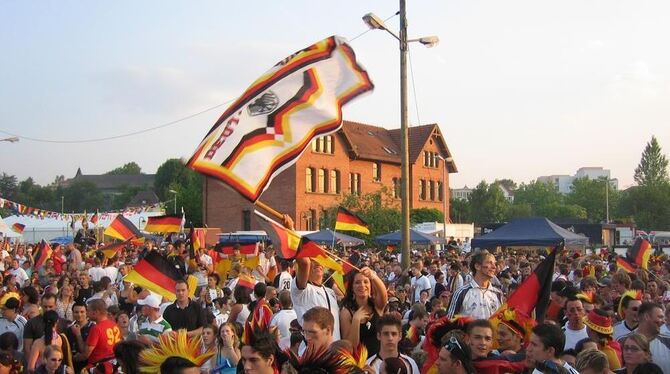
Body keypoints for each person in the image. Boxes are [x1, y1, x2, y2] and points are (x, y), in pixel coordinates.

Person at [292, 253, 341, 340]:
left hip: (335, 350)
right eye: (312, 260)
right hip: (315, 351)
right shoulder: (301, 291)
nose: (317, 263)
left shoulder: (330, 292)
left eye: (320, 260)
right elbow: (304, 263)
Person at [340, 267, 387, 356]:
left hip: (379, 362)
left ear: (370, 286)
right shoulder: (346, 312)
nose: (362, 285)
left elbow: (383, 294)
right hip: (361, 364)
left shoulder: (376, 306)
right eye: (357, 282)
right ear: (352, 288)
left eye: (366, 282)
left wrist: (373, 276)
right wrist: (356, 320)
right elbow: (350, 347)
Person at [447, 251, 502, 319]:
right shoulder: (461, 293)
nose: (494, 267)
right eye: (489, 263)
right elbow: (449, 322)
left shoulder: (498, 294)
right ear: (477, 266)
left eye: (494, 264)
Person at [620, 302, 670, 373]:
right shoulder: (623, 341)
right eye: (660, 317)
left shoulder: (668, 341)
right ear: (646, 316)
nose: (663, 321)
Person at [74, 299, 121, 373]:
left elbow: (85, 354)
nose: (87, 313)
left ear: (96, 312)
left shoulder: (97, 328)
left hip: (98, 367)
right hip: (113, 365)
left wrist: (78, 334)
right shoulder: (114, 324)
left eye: (88, 310)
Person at [23, 294, 57, 362]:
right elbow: (27, 348)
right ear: (40, 305)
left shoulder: (62, 323)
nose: (47, 309)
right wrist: (32, 366)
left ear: (56, 305)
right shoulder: (31, 323)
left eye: (50, 306)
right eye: (45, 306)